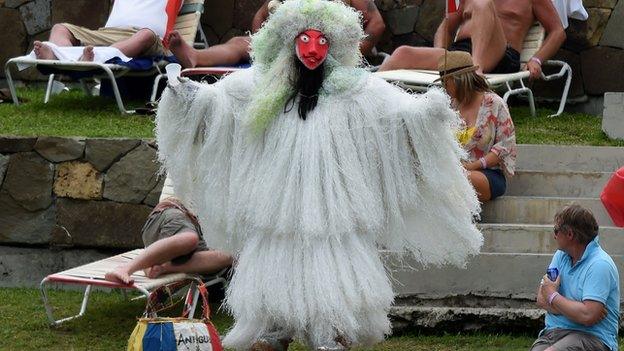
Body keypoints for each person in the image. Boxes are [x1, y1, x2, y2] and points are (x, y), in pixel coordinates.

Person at [156, 0, 483, 350]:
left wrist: (425, 113)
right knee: (276, 258)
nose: (313, 50)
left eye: (322, 42)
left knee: (335, 266)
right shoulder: (265, 85)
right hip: (279, 201)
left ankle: (332, 333)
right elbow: (221, 102)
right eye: (306, 40)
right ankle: (275, 329)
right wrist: (190, 98)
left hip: (333, 204)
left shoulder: (354, 88)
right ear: (290, 41)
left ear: (335, 44)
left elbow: (395, 110)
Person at [378, 0, 566, 80]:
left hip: (500, 54)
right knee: (402, 53)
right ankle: (363, 98)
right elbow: (447, 25)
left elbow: (557, 31)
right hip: (462, 52)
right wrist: (440, 51)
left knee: (482, 3)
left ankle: (475, 69)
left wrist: (536, 59)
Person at [166, 0, 386, 68]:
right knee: (239, 43)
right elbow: (260, 15)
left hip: (327, 51)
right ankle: (195, 56)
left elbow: (376, 24)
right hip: (285, 50)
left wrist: (354, 54)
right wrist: (263, 43)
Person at [531, 204, 620, 351]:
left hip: (592, 337)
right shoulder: (560, 256)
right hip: (555, 332)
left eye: (556, 230)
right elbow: (541, 298)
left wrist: (553, 296)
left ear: (570, 234)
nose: (554, 235)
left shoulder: (599, 265)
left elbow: (587, 316)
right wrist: (577, 310)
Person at [437, 51, 516, 202]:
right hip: (455, 171)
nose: (443, 87)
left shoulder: (494, 104)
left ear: (458, 80)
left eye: (445, 82)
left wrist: (472, 166)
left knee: (461, 179)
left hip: (486, 173)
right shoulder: (451, 107)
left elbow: (504, 146)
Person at [105, 197, 233, 285]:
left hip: (186, 239)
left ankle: (161, 265)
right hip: (174, 214)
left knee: (230, 256)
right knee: (189, 239)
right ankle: (125, 269)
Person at [33, 0, 181, 62]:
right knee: (60, 28)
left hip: (147, 37)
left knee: (145, 34)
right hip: (108, 33)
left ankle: (94, 57)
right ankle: (62, 56)